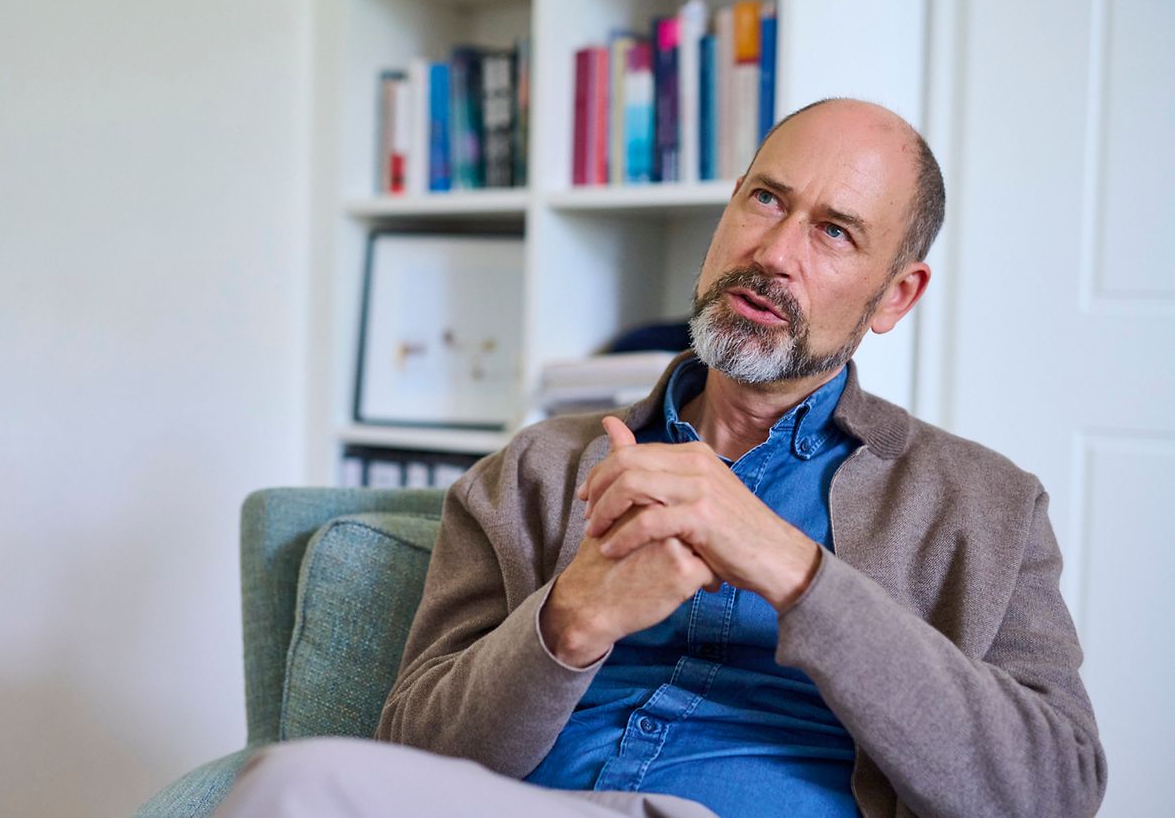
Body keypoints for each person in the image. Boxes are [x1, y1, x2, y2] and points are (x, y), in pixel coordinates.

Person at [214, 99, 1106, 817]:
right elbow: (411, 754)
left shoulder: (983, 506)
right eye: (765, 199)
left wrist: (795, 571)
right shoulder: (535, 472)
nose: (773, 252)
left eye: (834, 232)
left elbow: (1055, 789)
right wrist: (567, 622)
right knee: (300, 786)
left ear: (895, 295)